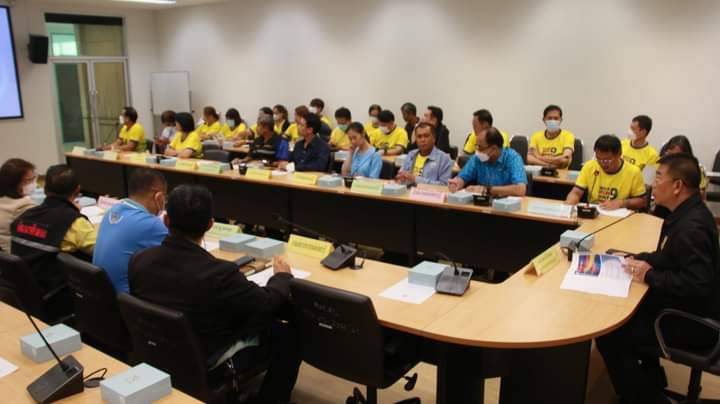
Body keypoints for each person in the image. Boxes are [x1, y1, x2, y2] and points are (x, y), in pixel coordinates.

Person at [128, 184, 301, 404]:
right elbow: (268, 303)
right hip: (208, 360)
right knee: (291, 333)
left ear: (166, 221)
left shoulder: (139, 260)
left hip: (156, 351)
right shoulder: (220, 274)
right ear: (210, 224)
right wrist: (282, 277)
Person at [596, 153, 720, 404]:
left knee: (611, 334)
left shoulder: (691, 228)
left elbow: (696, 284)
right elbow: (669, 256)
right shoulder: (686, 213)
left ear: (677, 186)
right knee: (627, 313)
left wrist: (649, 274)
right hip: (686, 308)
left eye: (659, 177)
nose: (653, 184)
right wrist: (635, 257)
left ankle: (644, 398)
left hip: (692, 322)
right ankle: (651, 383)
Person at [11, 165, 96, 300]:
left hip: (22, 293)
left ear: (45, 190)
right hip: (56, 295)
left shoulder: (23, 217)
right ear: (77, 190)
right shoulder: (73, 222)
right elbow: (101, 251)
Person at [93, 169, 168, 293]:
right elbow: (181, 258)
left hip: (101, 295)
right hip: (127, 300)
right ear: (158, 196)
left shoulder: (111, 211)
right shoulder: (151, 224)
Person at [565, 134, 647, 210]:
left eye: (607, 160)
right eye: (599, 159)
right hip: (594, 211)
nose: (603, 163)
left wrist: (621, 203)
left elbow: (642, 201)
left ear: (619, 154)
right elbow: (576, 192)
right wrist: (569, 204)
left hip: (619, 214)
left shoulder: (633, 172)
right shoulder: (589, 166)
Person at [448, 127, 527, 197]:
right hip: (481, 204)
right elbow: (463, 177)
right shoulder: (477, 158)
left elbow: (520, 190)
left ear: (493, 148)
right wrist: (456, 183)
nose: (477, 151)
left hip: (506, 206)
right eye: (476, 146)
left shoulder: (513, 158)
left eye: (480, 147)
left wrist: (487, 190)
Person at [0, 158, 36, 252]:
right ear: (14, 183)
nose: (34, 183)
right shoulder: (24, 205)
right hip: (14, 255)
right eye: (30, 180)